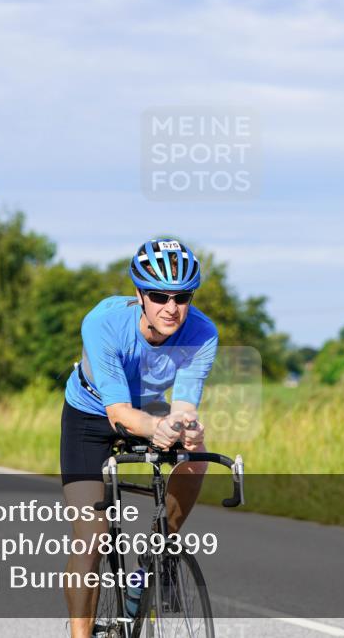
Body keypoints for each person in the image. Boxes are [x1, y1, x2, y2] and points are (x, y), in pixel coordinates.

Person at [60, 238, 218, 638]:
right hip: (92, 413)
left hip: (148, 406)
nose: (171, 308)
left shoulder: (202, 333)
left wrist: (185, 428)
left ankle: (158, 552)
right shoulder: (103, 323)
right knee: (92, 538)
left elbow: (183, 405)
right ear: (139, 295)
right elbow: (118, 414)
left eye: (182, 297)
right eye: (159, 296)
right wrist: (156, 428)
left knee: (195, 451)